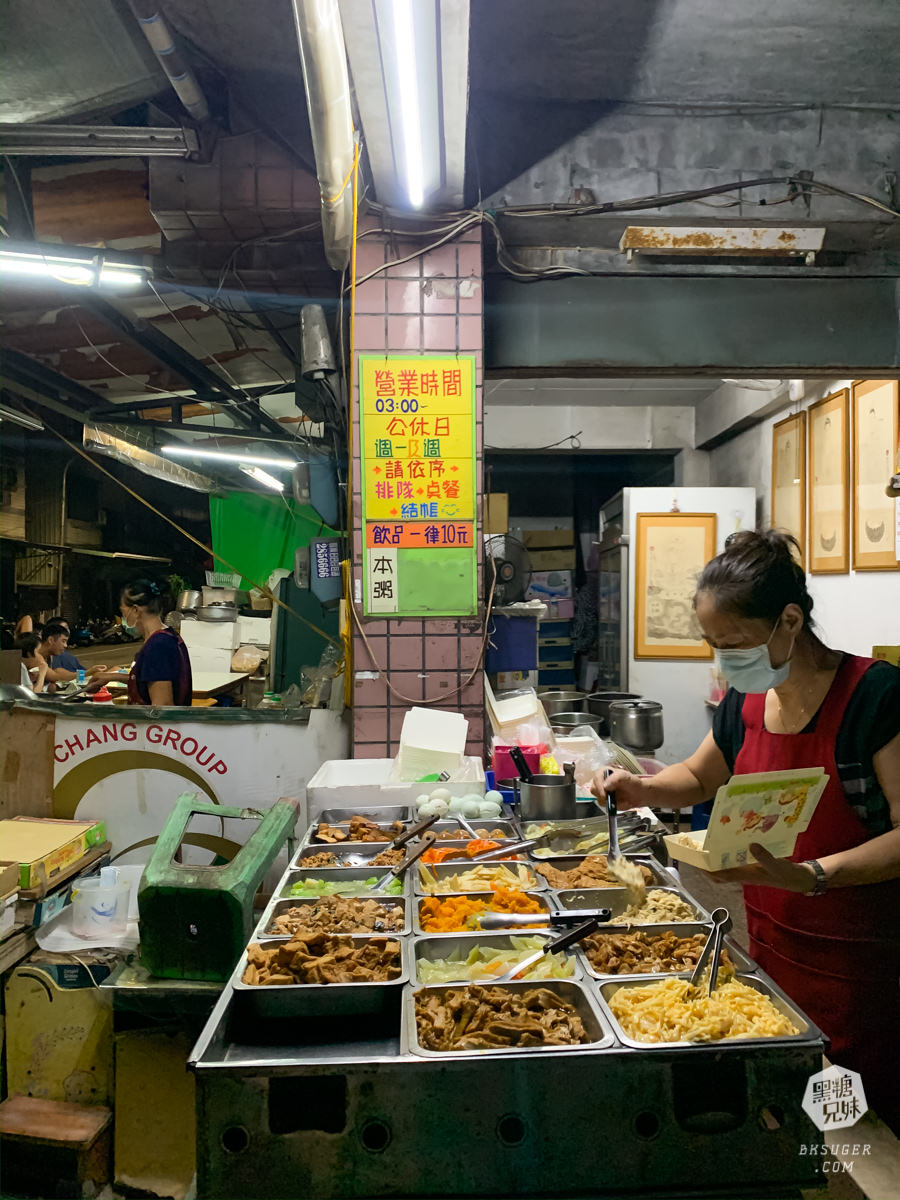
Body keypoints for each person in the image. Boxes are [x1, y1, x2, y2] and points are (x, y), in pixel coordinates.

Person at [592, 529, 900, 1131]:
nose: (723, 660)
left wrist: (812, 875)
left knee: (860, 1134)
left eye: (733, 644)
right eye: (714, 645)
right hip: (769, 953)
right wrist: (639, 787)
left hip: (864, 967)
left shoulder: (873, 697)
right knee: (791, 1115)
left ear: (790, 620)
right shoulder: (745, 701)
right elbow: (698, 776)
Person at [97, 579, 192, 706]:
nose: (123, 619)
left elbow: (162, 706)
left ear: (135, 610)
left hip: (158, 726)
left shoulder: (157, 646)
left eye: (123, 613)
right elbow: (151, 679)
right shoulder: (168, 636)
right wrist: (109, 677)